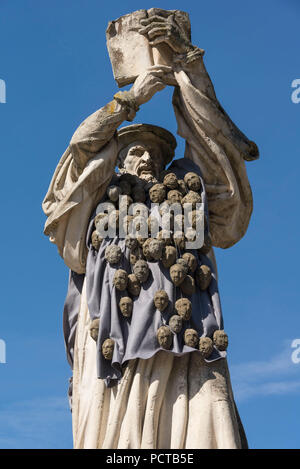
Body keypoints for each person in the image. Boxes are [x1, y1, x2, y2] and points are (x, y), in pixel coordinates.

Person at [43, 13, 258, 449]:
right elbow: (77, 160)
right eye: (133, 149)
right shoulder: (94, 209)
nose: (144, 158)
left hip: (189, 343)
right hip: (111, 354)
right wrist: (129, 100)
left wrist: (187, 68)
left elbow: (220, 158)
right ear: (118, 160)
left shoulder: (189, 194)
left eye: (155, 151)